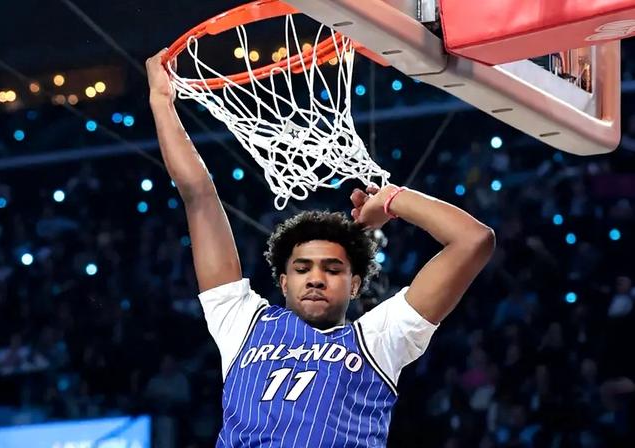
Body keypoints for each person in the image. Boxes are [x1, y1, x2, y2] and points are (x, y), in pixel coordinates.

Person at [146, 48, 496, 447]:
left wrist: (393, 200)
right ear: (282, 281)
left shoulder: (380, 339)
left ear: (355, 284)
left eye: (332, 269)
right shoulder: (242, 324)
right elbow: (199, 195)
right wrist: (161, 102)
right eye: (302, 268)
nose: (315, 278)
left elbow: (473, 241)